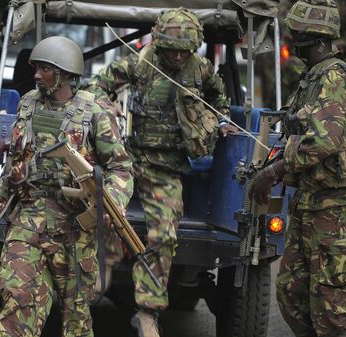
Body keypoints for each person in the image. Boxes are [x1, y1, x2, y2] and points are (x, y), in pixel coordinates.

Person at [89, 8, 236, 336]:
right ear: (161, 42)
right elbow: (97, 87)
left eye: (185, 49)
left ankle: (147, 313)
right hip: (130, 158)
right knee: (107, 212)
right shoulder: (141, 61)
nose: (179, 55)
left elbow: (219, 101)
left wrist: (219, 122)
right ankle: (105, 264)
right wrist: (105, 106)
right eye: (173, 49)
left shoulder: (200, 70)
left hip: (167, 166)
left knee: (164, 235)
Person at [0, 36, 133, 337]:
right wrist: (2, 192)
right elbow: (18, 154)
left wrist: (114, 201)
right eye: (37, 68)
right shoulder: (28, 103)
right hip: (27, 221)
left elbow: (120, 167)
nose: (37, 75)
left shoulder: (94, 112)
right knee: (15, 304)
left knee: (76, 318)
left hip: (73, 229)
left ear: (65, 73)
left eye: (44, 69)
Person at [249, 1, 346, 336]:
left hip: (335, 209)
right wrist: (274, 164)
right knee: (291, 293)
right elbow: (298, 134)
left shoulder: (334, 76)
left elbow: (323, 142)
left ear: (316, 40)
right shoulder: (313, 78)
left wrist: (272, 174)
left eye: (298, 37)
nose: (293, 43)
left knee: (330, 304)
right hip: (311, 203)